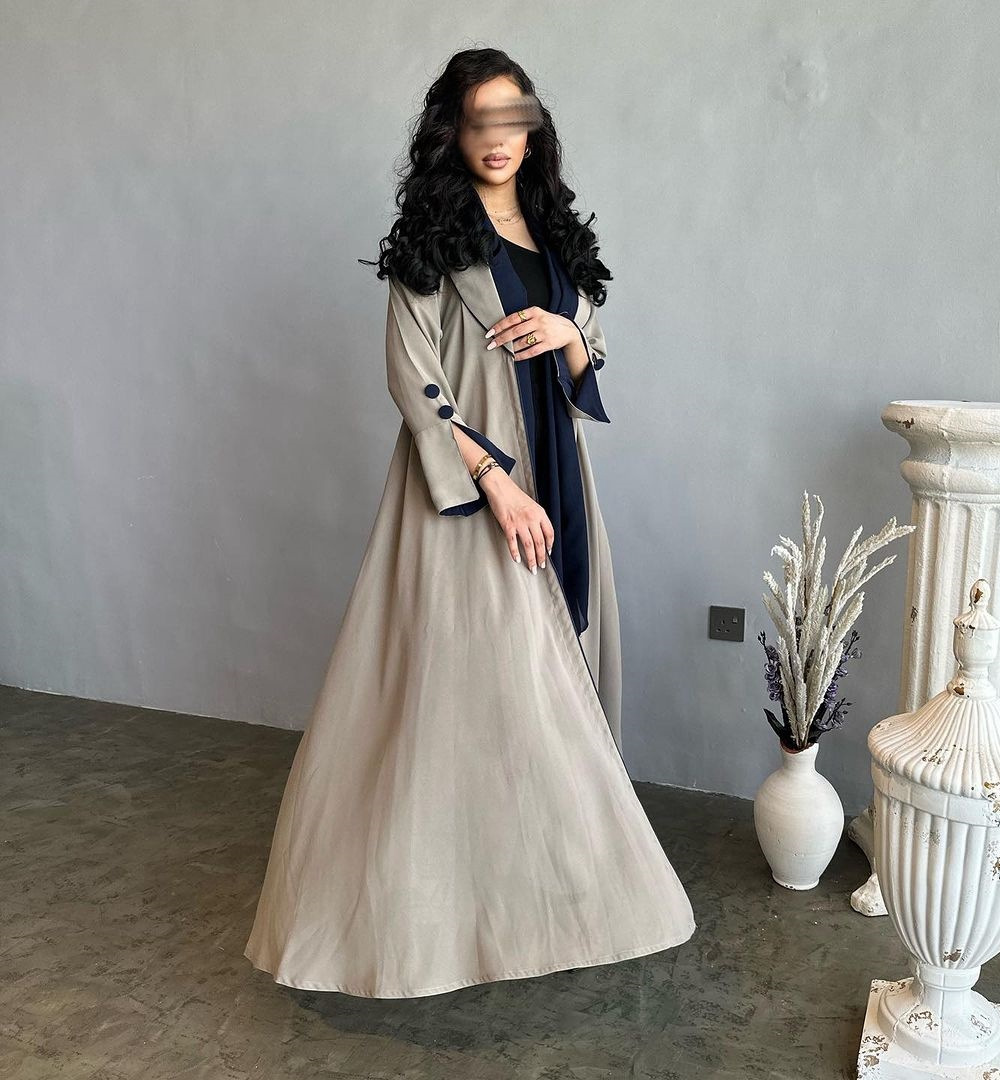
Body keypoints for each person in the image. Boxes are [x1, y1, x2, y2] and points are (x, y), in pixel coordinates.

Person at [243, 47, 696, 999]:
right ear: (453, 131)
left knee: (544, 690)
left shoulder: (554, 231)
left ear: (533, 129)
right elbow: (413, 380)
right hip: (469, 497)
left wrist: (571, 335)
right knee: (471, 705)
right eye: (478, 120)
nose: (498, 139)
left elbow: (589, 347)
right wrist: (495, 483)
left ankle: (539, 899)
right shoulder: (433, 240)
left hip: (559, 476)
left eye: (512, 118)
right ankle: (435, 924)